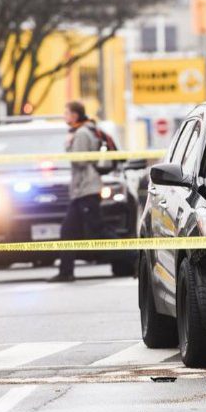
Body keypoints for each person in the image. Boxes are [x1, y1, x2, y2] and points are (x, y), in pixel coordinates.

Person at [48, 101, 120, 282]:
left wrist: (68, 145)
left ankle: (133, 256)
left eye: (66, 113)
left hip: (87, 189)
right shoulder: (86, 130)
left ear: (74, 115)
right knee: (68, 231)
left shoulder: (80, 133)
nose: (64, 116)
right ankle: (66, 272)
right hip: (82, 190)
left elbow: (79, 161)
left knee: (97, 231)